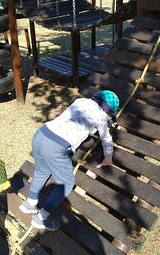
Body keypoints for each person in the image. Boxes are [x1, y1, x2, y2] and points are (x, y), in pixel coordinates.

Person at [20, 90, 120, 231]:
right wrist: (108, 157)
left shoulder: (80, 101)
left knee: (42, 172)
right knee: (66, 183)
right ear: (108, 111)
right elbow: (106, 139)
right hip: (57, 146)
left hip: (41, 134)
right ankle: (41, 217)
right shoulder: (101, 117)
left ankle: (29, 203)